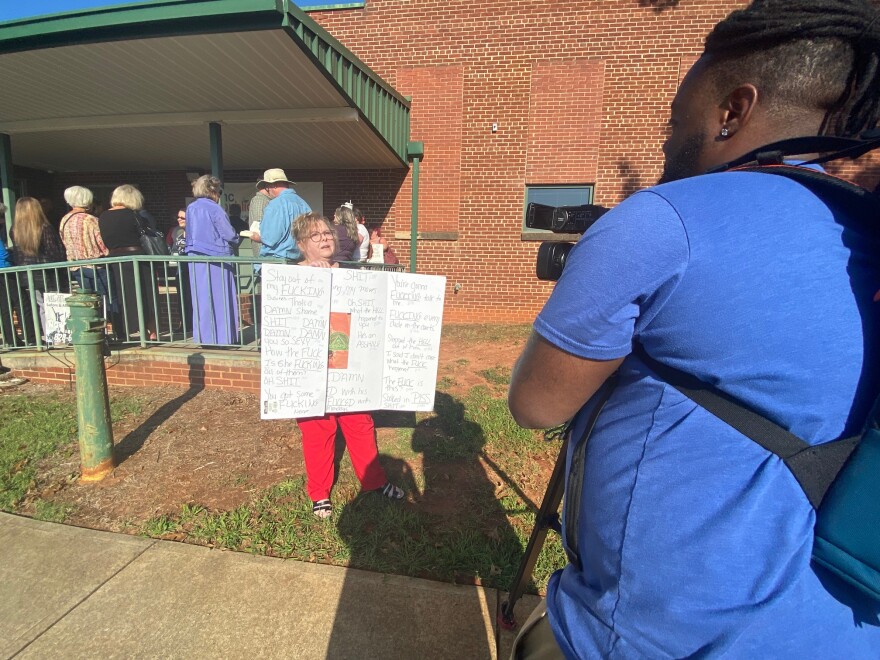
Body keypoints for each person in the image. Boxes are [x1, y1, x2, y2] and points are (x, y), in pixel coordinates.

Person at [507, 1, 880, 657]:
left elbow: (535, 405)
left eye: (674, 120)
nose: (664, 140)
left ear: (733, 109)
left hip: (655, 640)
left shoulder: (663, 220)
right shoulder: (864, 227)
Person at [292, 211, 404, 518]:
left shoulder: (350, 273)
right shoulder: (291, 277)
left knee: (360, 425)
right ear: (303, 244)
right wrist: (311, 276)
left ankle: (374, 482)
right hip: (312, 368)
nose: (326, 238)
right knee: (317, 432)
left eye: (328, 233)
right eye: (317, 235)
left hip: (348, 366)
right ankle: (319, 493)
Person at [184, 175, 241, 345]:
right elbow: (229, 234)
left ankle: (204, 337)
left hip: (195, 258)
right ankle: (223, 338)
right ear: (212, 190)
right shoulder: (215, 209)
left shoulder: (191, 208)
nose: (219, 195)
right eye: (219, 191)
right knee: (222, 298)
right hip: (217, 258)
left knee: (201, 299)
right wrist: (238, 237)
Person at [98, 184, 157, 340]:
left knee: (123, 297)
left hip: (115, 261)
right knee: (147, 295)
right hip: (138, 259)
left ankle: (130, 331)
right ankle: (152, 333)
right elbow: (146, 234)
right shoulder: (134, 216)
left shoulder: (103, 217)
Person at [59, 186, 113, 313]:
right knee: (107, 302)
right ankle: (117, 329)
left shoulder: (65, 220)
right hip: (97, 266)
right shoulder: (91, 219)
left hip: (76, 266)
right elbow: (102, 244)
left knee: (90, 303)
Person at [255, 168, 310, 263]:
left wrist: (257, 237)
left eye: (267, 187)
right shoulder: (304, 204)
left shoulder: (275, 205)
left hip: (275, 262)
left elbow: (270, 238)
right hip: (300, 261)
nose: (268, 191)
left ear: (274, 185)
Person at [166, 208, 191, 332]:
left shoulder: (195, 231)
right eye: (178, 217)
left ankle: (193, 324)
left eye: (182, 217)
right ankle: (184, 324)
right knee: (181, 297)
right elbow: (170, 245)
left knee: (191, 297)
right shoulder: (175, 231)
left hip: (192, 267)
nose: (179, 219)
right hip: (179, 268)